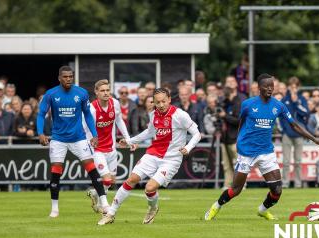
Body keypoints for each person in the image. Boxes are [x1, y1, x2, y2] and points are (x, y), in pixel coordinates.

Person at [204, 74, 319, 221]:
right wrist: (239, 140)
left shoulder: (278, 105)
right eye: (267, 86)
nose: (270, 89)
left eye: (272, 86)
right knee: (236, 190)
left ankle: (262, 210)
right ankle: (215, 207)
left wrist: (313, 138)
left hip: (266, 152)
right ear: (259, 88)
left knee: (277, 190)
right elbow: (241, 122)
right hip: (247, 152)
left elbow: (294, 124)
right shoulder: (247, 104)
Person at [98, 88, 202, 225]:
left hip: (171, 159)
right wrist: (130, 141)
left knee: (149, 188)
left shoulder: (180, 115)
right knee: (131, 179)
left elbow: (197, 134)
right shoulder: (153, 114)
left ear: (169, 99)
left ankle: (153, 208)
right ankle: (110, 213)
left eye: (164, 101)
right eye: (157, 102)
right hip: (153, 153)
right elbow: (148, 132)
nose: (161, 105)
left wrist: (188, 147)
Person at [36, 66, 108, 218]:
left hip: (79, 138)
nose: (68, 79)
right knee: (56, 172)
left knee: (91, 168)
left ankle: (104, 202)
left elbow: (87, 114)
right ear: (59, 78)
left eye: (70, 76)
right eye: (65, 77)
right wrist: (40, 132)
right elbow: (41, 114)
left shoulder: (81, 93)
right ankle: (54, 209)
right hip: (58, 139)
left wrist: (94, 135)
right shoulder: (51, 94)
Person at [83, 79, 134, 214]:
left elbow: (119, 120)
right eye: (102, 91)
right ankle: (105, 207)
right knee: (106, 178)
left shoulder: (115, 103)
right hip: (97, 150)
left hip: (111, 148)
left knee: (110, 181)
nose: (106, 93)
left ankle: (95, 194)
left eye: (107, 90)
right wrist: (90, 142)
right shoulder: (92, 109)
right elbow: (84, 128)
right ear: (96, 92)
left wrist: (128, 138)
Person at [280, 76, 309, 188]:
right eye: (291, 87)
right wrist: (285, 130)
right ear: (288, 87)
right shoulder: (284, 100)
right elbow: (281, 117)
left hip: (299, 134)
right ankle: (285, 183)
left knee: (298, 161)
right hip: (287, 134)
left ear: (298, 87)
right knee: (286, 161)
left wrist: (296, 102)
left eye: (295, 87)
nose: (293, 90)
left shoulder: (302, 99)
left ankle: (298, 183)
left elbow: (306, 113)